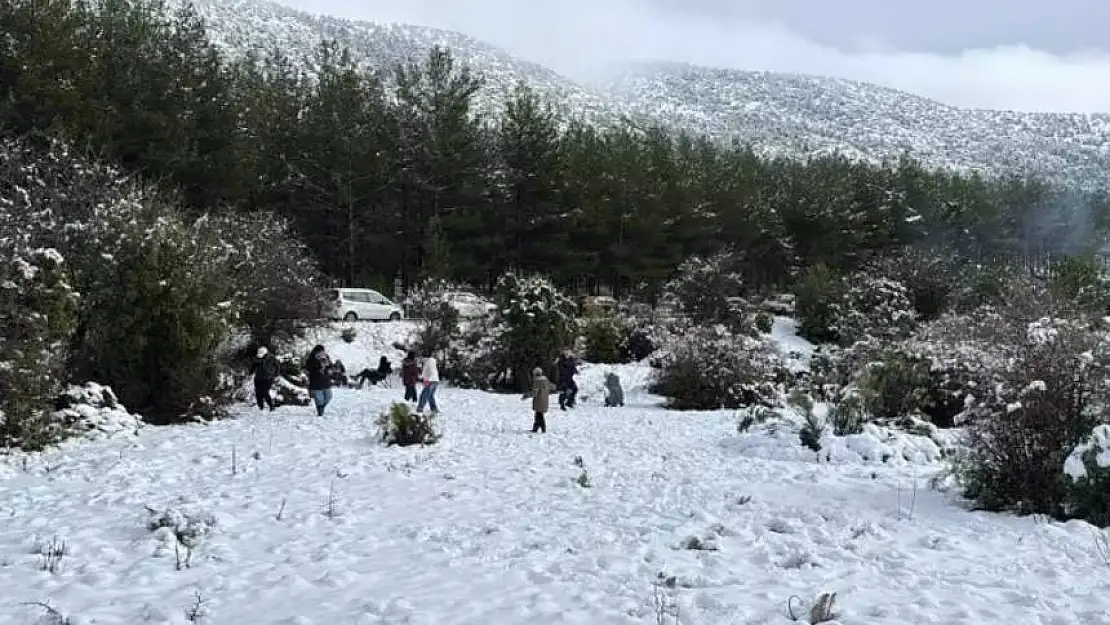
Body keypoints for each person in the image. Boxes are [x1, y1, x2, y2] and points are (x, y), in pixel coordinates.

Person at [522, 366, 557, 433]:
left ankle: (543, 429)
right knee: (538, 415)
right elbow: (553, 387)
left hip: (539, 401)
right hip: (545, 401)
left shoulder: (537, 382)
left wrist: (526, 395)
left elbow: (534, 393)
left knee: (539, 416)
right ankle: (535, 428)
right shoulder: (546, 380)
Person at [305, 344, 333, 416]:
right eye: (320, 351)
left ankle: (321, 408)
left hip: (326, 381)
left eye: (323, 351)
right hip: (316, 382)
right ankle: (320, 411)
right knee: (319, 399)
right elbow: (309, 368)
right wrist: (319, 367)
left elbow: (330, 366)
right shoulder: (311, 359)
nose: (322, 353)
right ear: (316, 352)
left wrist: (329, 369)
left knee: (329, 397)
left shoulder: (326, 357)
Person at [249, 346, 279, 411]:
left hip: (268, 378)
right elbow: (253, 366)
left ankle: (271, 406)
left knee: (265, 392)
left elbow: (277, 366)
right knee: (258, 393)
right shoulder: (257, 358)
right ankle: (260, 406)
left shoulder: (271, 358)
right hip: (258, 378)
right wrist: (250, 372)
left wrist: (276, 374)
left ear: (265, 353)